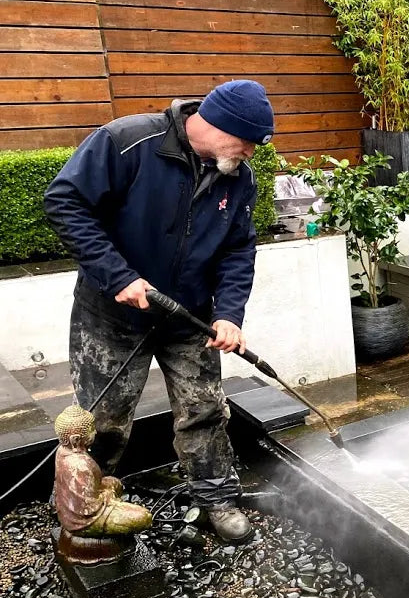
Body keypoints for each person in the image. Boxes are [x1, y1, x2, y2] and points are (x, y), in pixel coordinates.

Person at [43, 80, 276, 542]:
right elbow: (65, 202)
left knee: (204, 409)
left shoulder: (237, 178)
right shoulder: (127, 141)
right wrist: (118, 276)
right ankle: (84, 507)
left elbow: (238, 251)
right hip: (111, 314)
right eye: (247, 141)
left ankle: (215, 497)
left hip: (188, 317)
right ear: (216, 124)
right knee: (103, 418)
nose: (251, 153)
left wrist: (229, 314)